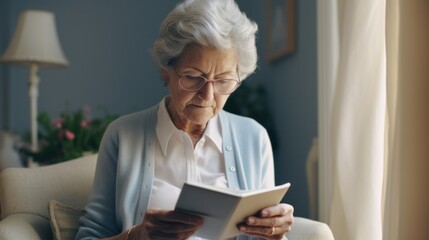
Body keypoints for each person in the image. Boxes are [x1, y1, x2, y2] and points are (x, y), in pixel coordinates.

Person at [75, 0, 294, 239]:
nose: (207, 96)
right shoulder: (122, 135)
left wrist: (275, 234)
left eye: (223, 81)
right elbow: (89, 236)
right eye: (193, 77)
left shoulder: (254, 137)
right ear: (165, 71)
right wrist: (138, 236)